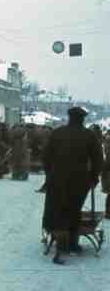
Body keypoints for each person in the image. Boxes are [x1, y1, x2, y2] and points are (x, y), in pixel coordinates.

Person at [42, 106, 103, 264]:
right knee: (73, 210)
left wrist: (50, 174)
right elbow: (98, 160)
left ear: (70, 117)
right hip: (79, 180)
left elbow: (46, 156)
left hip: (57, 179)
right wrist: (93, 178)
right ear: (82, 119)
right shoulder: (89, 135)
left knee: (58, 209)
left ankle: (61, 244)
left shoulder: (58, 133)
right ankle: (72, 244)